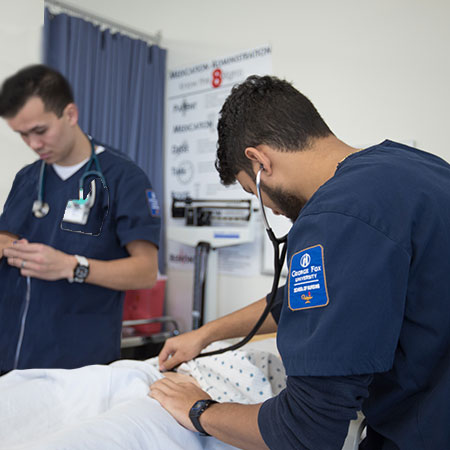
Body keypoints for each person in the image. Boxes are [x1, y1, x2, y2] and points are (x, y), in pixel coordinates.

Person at [150, 75, 450, 449]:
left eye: (252, 191)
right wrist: (206, 334)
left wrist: (198, 410)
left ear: (259, 162)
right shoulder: (414, 168)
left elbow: (305, 430)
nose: (271, 210)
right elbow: (308, 296)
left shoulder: (336, 215)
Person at [0, 65, 161, 373]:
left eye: (40, 131)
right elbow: (6, 235)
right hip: (10, 358)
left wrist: (72, 266)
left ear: (70, 115)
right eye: (23, 135)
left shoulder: (123, 178)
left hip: (75, 365)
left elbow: (145, 271)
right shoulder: (27, 178)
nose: (33, 144)